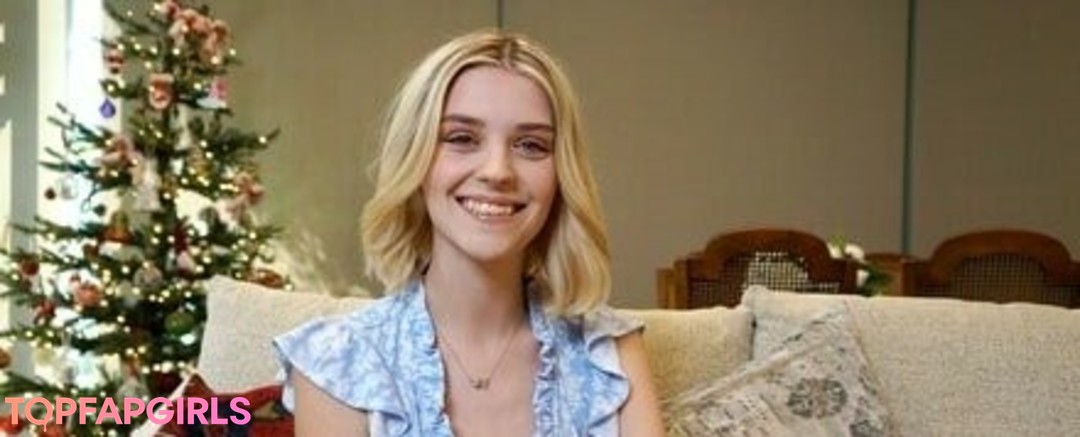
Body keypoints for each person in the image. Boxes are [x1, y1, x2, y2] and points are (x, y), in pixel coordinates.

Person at [274, 29, 665, 436]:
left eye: (531, 145)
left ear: (561, 175)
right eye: (462, 138)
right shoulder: (336, 363)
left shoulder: (609, 355)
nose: (497, 171)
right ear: (415, 160)